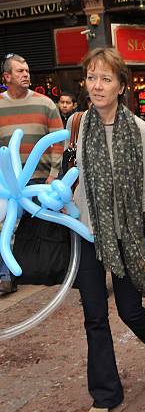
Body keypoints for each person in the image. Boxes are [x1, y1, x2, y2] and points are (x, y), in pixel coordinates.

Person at [73, 47, 145, 412]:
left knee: (130, 310)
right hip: (88, 232)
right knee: (95, 315)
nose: (96, 85)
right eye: (91, 77)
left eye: (105, 78)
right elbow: (79, 181)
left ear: (121, 85)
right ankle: (106, 393)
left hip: (127, 234)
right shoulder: (80, 124)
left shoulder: (139, 130)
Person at [0, 53, 63, 294]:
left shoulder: (45, 103)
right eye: (20, 71)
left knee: (45, 225)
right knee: (7, 228)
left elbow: (60, 141)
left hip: (40, 179)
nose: (26, 74)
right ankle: (7, 276)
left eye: (27, 70)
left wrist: (54, 174)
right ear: (7, 77)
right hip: (8, 182)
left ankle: (50, 270)